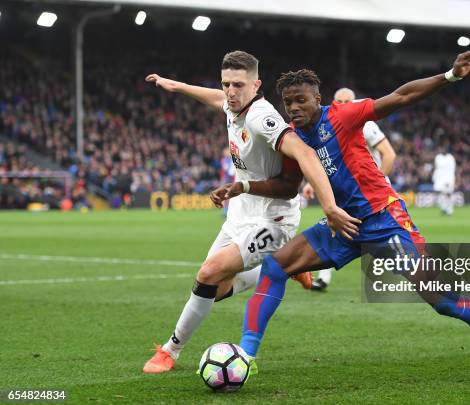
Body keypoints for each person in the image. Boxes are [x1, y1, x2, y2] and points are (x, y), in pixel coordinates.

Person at [239, 50, 470, 377]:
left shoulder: (342, 116)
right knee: (276, 266)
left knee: (442, 299)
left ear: (317, 98)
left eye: (301, 100)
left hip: (384, 219)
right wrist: (245, 187)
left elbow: (401, 97)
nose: (293, 108)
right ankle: (245, 357)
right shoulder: (291, 138)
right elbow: (288, 186)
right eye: (288, 102)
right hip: (344, 224)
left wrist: (449, 76)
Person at [142, 50, 359, 373]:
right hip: (240, 212)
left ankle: (170, 350)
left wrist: (329, 207)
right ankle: (283, 264)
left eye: (238, 85)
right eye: (226, 84)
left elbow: (306, 155)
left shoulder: (262, 118)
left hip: (273, 218)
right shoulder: (232, 106)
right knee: (211, 289)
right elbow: (215, 98)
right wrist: (177, 86)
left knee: (207, 274)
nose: (230, 91)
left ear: (255, 85)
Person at [305, 87, 397, 291]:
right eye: (340, 101)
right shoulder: (328, 127)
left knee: (387, 239)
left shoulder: (366, 125)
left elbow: (388, 154)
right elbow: (327, 162)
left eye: (349, 101)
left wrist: (378, 181)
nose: (345, 105)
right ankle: (323, 277)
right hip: (345, 192)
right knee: (334, 226)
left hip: (371, 194)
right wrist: (311, 183)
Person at [433, 144, 456, 216]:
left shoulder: (450, 157)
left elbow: (453, 169)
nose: (443, 150)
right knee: (438, 193)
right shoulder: (438, 157)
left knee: (448, 194)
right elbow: (436, 166)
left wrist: (452, 179)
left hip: (449, 178)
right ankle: (444, 208)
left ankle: (450, 210)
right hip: (439, 179)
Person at [219, 147, 236, 217]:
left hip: (232, 179)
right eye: (226, 152)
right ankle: (225, 210)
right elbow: (228, 169)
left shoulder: (232, 159)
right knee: (224, 195)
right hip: (226, 179)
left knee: (231, 195)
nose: (227, 153)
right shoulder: (224, 160)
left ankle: (229, 210)